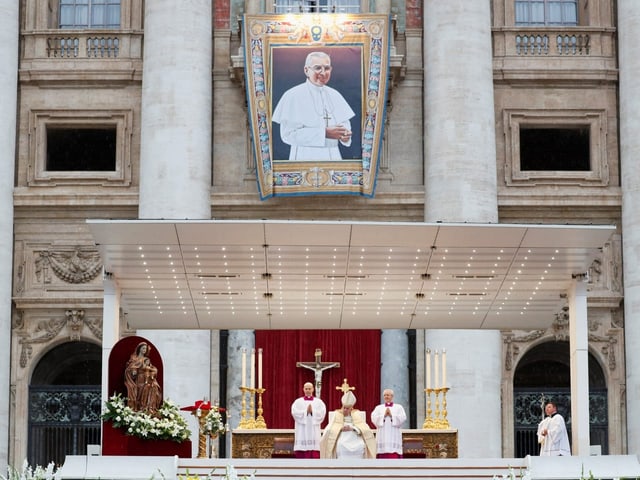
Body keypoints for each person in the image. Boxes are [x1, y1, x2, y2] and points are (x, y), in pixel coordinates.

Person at [272, 51, 356, 161]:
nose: (323, 72)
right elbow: (287, 135)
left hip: (333, 158)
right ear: (306, 70)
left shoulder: (335, 95)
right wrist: (324, 133)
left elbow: (345, 126)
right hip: (303, 157)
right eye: (318, 68)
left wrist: (345, 136)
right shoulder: (292, 95)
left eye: (326, 68)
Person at [320, 391, 376, 459]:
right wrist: (339, 428)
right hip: (342, 436)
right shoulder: (337, 414)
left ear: (351, 408)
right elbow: (330, 427)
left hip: (355, 436)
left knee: (361, 446)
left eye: (347, 408)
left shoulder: (357, 414)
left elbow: (364, 427)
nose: (345, 410)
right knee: (340, 445)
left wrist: (353, 428)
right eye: (344, 408)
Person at [291, 382, 327, 458]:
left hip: (314, 430)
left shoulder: (319, 402)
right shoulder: (298, 402)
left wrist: (312, 412)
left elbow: (322, 413)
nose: (308, 390)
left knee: (314, 449)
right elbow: (294, 413)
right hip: (302, 431)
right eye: (306, 389)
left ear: (313, 389)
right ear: (303, 389)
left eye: (309, 389)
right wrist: (305, 412)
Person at [371, 388, 407, 458]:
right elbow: (373, 418)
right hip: (382, 434)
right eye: (385, 395)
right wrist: (383, 416)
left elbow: (403, 418)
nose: (386, 397)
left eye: (388, 395)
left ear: (392, 396)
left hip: (394, 435)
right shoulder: (378, 408)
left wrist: (391, 415)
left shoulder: (399, 407)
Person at [124, 341, 151, 411]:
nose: (144, 350)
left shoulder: (146, 360)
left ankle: (143, 407)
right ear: (139, 349)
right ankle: (136, 408)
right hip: (138, 378)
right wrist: (133, 371)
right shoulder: (134, 359)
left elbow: (150, 369)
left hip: (145, 378)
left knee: (145, 392)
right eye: (143, 348)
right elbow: (130, 368)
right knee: (137, 392)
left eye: (145, 349)